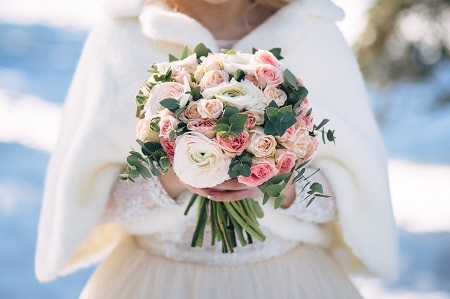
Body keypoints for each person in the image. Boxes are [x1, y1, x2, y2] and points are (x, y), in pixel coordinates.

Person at [35, 0, 398, 298]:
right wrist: (176, 178)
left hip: (290, 279)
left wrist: (276, 179)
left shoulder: (316, 35)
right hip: (153, 281)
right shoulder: (121, 35)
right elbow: (87, 196)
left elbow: (357, 190)